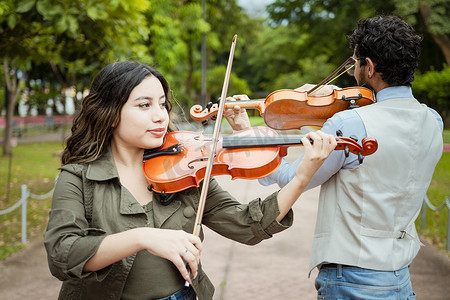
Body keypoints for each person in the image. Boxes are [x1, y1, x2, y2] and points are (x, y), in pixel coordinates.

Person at [43, 61, 337, 300]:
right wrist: (142, 237)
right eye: (144, 105)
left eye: (162, 104)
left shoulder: (186, 167)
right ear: (109, 113)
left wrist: (301, 176)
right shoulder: (78, 178)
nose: (160, 116)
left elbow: (248, 225)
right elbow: (62, 254)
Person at [224, 15, 444, 299]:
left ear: (371, 67)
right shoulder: (433, 121)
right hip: (400, 275)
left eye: (355, 64)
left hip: (353, 275)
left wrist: (245, 132)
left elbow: (292, 178)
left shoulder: (351, 124)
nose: (352, 73)